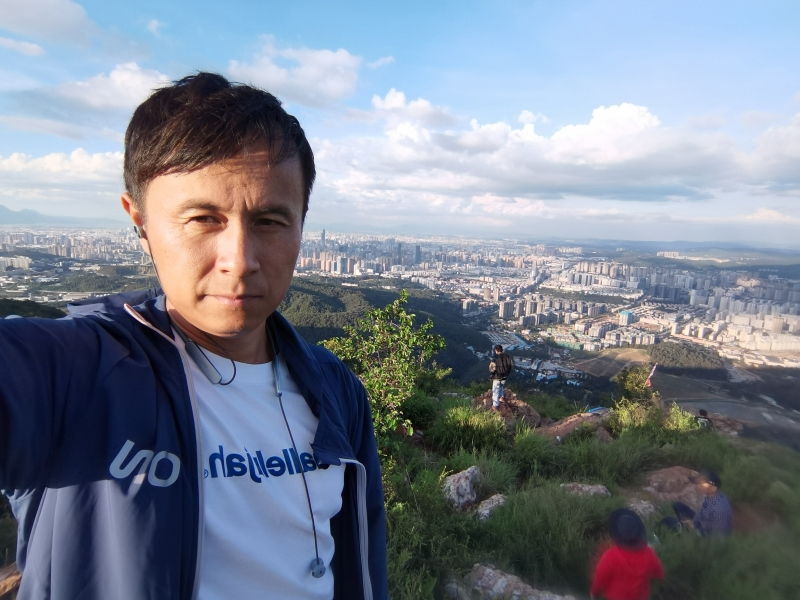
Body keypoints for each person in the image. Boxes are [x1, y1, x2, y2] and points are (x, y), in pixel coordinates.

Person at [0, 73, 387, 600]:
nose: (240, 261)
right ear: (140, 222)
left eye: (270, 220)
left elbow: (362, 564)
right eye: (203, 218)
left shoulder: (337, 390)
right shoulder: (74, 373)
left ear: (301, 222)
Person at [591, 509, 664, 600]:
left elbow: (600, 579)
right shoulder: (649, 553)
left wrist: (594, 593)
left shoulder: (611, 556)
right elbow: (660, 574)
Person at [489, 344, 513, 410]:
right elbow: (510, 366)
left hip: (497, 376)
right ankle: (501, 397)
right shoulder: (507, 357)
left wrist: (492, 373)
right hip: (505, 376)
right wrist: (507, 373)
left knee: (495, 390)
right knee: (501, 386)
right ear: (502, 350)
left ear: (496, 350)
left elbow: (491, 368)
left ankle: (495, 405)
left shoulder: (495, 358)